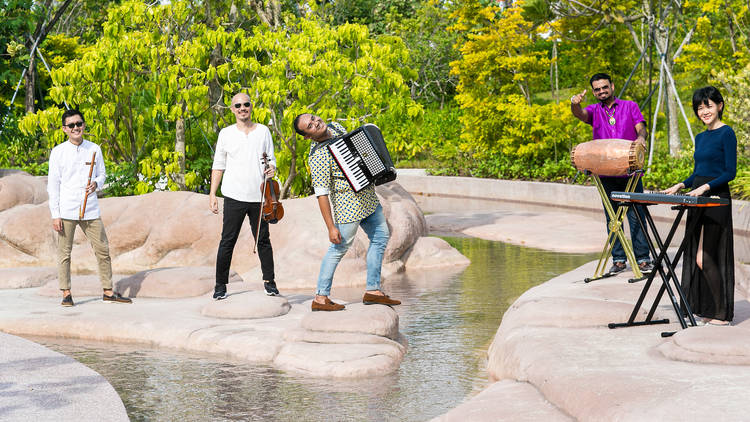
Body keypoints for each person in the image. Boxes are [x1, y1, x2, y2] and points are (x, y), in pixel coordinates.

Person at [293, 113, 400, 311]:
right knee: (339, 248)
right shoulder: (318, 157)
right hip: (348, 206)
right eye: (310, 125)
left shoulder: (336, 128)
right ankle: (320, 297)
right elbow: (322, 194)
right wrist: (331, 227)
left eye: (314, 118)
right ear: (307, 136)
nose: (316, 122)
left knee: (381, 237)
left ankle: (373, 291)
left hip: (368, 198)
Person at [662, 86, 736, 326]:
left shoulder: (727, 133)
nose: (704, 111)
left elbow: (729, 172)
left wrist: (705, 188)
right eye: (700, 107)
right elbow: (698, 172)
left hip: (715, 200)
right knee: (697, 256)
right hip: (696, 197)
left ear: (719, 105)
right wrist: (681, 184)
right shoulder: (701, 137)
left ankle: (722, 314)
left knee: (705, 257)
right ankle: (708, 308)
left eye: (708, 106)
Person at [571, 72, 654, 276]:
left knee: (636, 215)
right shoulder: (594, 111)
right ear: (593, 92)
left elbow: (641, 129)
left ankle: (643, 259)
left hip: (630, 171)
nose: (601, 91)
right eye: (597, 89)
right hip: (605, 173)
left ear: (612, 87)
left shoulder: (629, 106)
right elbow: (580, 114)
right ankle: (618, 260)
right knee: (612, 217)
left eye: (604, 87)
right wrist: (574, 104)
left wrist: (641, 139)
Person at [47, 108, 132, 306]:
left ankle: (108, 292)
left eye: (79, 124)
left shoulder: (94, 148)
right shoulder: (58, 152)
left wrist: (96, 183)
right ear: (64, 129)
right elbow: (53, 185)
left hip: (90, 208)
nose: (76, 128)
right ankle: (66, 294)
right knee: (64, 253)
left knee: (103, 249)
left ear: (83, 125)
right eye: (71, 125)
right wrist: (55, 214)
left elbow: (102, 174)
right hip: (67, 209)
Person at [210, 93, 279, 300]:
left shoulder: (264, 131)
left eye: (246, 104)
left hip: (259, 196)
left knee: (263, 240)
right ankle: (220, 285)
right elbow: (218, 165)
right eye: (238, 105)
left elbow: (272, 159)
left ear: (251, 107)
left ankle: (270, 282)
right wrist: (212, 194)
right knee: (227, 241)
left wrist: (272, 169)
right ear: (232, 109)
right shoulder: (226, 133)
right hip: (234, 195)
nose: (242, 108)